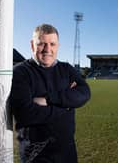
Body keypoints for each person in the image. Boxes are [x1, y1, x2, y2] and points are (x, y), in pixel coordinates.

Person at [8, 23, 91, 163]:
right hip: (36, 154)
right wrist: (66, 106)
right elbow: (25, 114)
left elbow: (85, 93)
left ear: (58, 46)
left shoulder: (66, 69)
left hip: (67, 151)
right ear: (32, 45)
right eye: (42, 44)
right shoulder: (20, 72)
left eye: (52, 44)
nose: (48, 49)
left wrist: (49, 99)